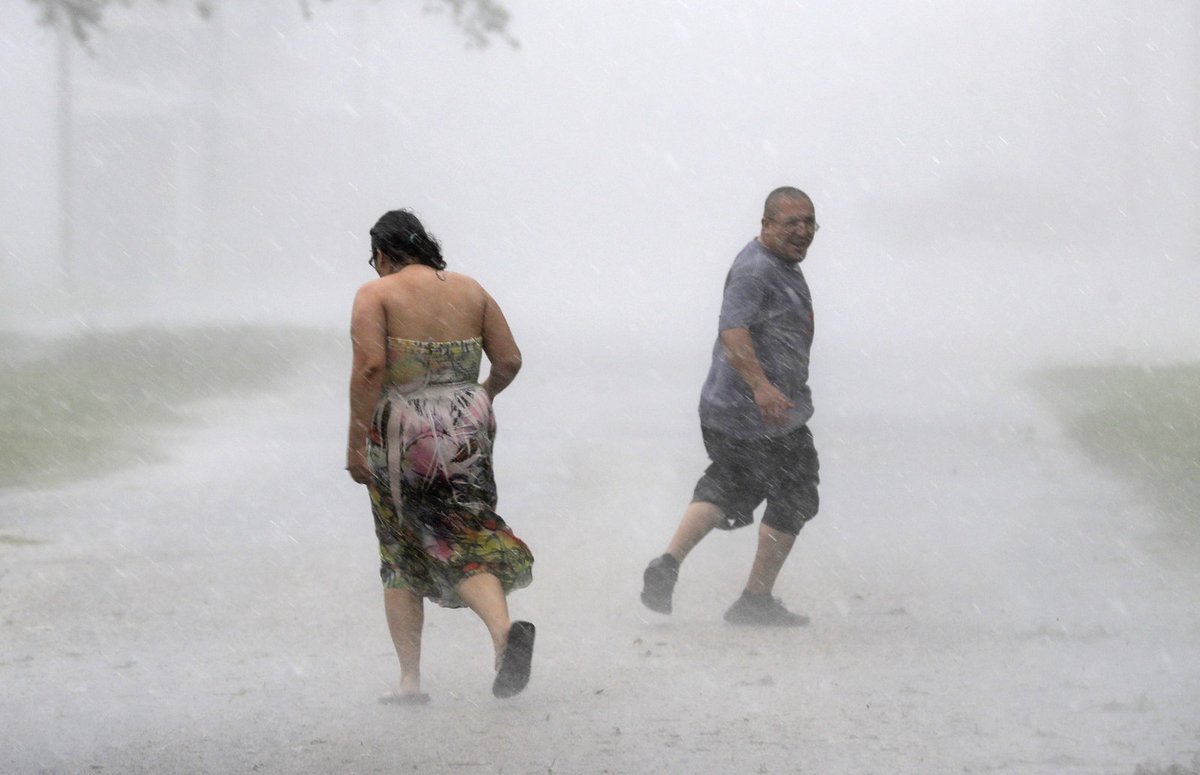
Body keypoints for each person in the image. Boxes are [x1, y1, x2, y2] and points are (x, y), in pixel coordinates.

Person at [346, 209, 535, 702]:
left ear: (384, 255)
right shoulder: (472, 290)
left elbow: (370, 367)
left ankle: (410, 681)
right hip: (467, 424)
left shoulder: (376, 294)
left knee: (400, 551)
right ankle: (502, 634)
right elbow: (510, 360)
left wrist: (354, 442)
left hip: (402, 432)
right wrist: (480, 397)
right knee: (464, 536)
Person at [641, 187, 821, 626]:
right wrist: (761, 387)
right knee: (795, 493)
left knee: (733, 485)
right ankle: (754, 601)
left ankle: (667, 563)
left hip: (734, 410)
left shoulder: (775, 264)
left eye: (809, 222)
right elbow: (733, 332)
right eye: (790, 222)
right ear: (765, 225)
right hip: (761, 412)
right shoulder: (757, 270)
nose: (802, 231)